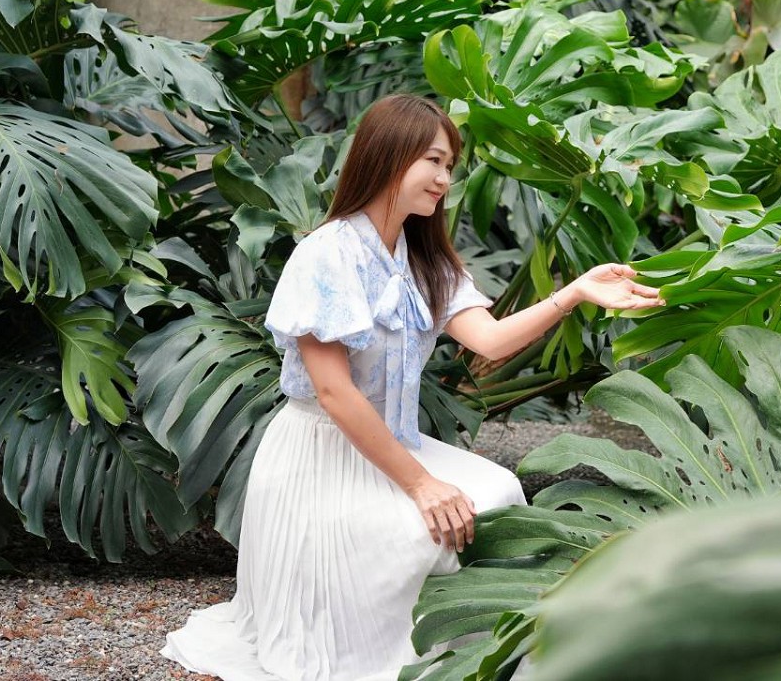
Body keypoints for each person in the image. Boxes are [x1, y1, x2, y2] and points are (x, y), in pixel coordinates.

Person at [161, 94, 665, 681]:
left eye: (451, 166)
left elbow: (492, 341)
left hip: (396, 445)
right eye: (434, 160)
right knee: (417, 532)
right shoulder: (325, 256)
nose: (445, 179)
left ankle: (479, 655)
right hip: (323, 455)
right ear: (387, 156)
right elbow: (334, 393)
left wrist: (575, 291)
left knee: (499, 490)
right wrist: (423, 484)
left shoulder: (422, 257)